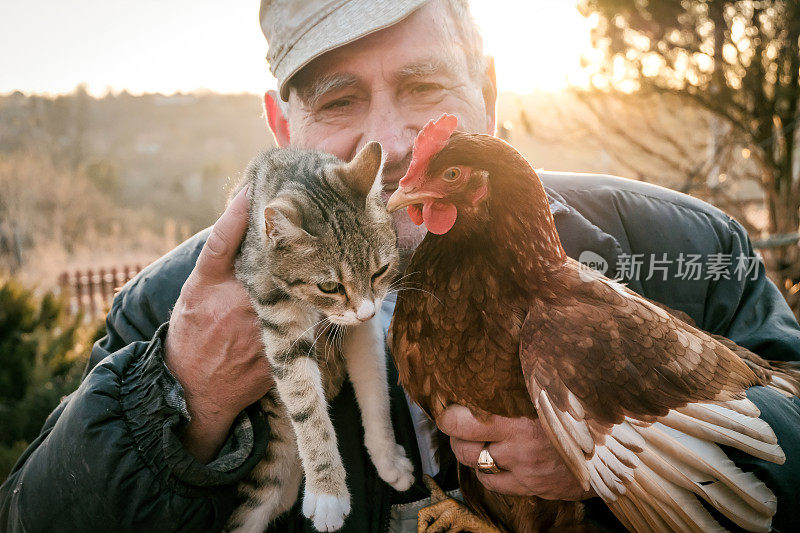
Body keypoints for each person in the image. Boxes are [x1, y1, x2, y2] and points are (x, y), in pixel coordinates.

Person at [2, 0, 800, 531]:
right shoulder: (172, 312)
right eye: (339, 100)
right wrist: (183, 394)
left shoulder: (692, 251)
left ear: (487, 91)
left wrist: (603, 452)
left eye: (421, 85)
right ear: (284, 126)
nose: (383, 143)